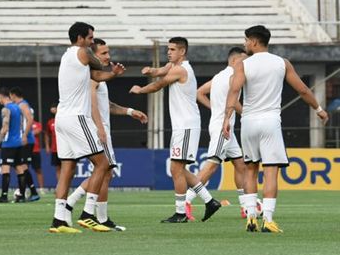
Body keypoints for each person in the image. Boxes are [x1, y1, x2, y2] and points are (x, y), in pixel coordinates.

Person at [223, 25, 328, 233]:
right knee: (271, 171)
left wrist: (227, 118)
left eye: (246, 40)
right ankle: (268, 219)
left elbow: (234, 91)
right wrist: (319, 108)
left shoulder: (243, 64)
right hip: (270, 121)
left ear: (253, 42)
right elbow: (302, 89)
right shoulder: (282, 63)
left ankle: (251, 216)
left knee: (250, 169)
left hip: (249, 122)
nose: (245, 44)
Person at [130, 37, 221, 223]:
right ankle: (210, 201)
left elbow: (159, 84)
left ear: (182, 52)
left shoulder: (180, 69)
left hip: (186, 125)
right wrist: (151, 70)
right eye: (168, 49)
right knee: (178, 168)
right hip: (183, 126)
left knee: (176, 168)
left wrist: (140, 90)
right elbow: (161, 71)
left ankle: (181, 214)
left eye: (172, 49)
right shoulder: (174, 66)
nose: (169, 52)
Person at [50, 22, 125, 234]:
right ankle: (88, 214)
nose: (93, 41)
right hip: (76, 118)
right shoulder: (83, 52)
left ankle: (59, 220)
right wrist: (105, 62)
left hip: (62, 119)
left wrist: (113, 74)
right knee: (103, 164)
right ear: (81, 38)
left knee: (68, 169)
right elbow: (99, 65)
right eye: (91, 38)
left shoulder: (68, 57)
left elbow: (98, 75)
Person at [66, 38, 148, 231]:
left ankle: (79, 206)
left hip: (100, 127)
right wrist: (100, 128)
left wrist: (129, 111)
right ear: (94, 55)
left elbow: (106, 105)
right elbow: (92, 102)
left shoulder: (99, 78)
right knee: (105, 170)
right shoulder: (93, 77)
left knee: (105, 172)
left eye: (108, 52)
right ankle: (93, 214)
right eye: (103, 53)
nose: (108, 56)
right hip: (97, 129)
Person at [186, 47, 249, 221]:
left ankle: (245, 206)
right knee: (212, 165)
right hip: (224, 127)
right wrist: (247, 113)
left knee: (240, 165)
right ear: (235, 61)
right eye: (244, 61)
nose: (246, 64)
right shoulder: (232, 77)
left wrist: (215, 109)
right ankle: (187, 201)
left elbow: (200, 93)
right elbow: (233, 101)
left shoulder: (219, 76)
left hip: (221, 124)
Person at [0, 87, 28, 203]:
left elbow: (5, 127)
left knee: (5, 168)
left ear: (1, 97)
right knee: (19, 168)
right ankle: (22, 195)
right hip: (18, 142)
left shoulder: (6, 109)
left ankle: (4, 196)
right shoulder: (18, 108)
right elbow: (22, 123)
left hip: (9, 143)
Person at [9, 87, 40, 202]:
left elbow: (30, 119)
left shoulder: (22, 105)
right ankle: (30, 192)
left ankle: (29, 192)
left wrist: (25, 135)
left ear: (13, 95)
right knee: (21, 166)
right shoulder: (21, 105)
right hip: (22, 139)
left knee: (22, 166)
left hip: (26, 140)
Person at [44, 103, 60, 180]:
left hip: (64, 148)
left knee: (66, 168)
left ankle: (66, 186)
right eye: (52, 108)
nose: (53, 109)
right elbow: (47, 134)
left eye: (54, 107)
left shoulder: (63, 119)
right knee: (57, 168)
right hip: (54, 149)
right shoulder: (50, 122)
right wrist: (47, 146)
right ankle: (60, 186)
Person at [30, 119, 45, 194]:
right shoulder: (23, 124)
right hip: (25, 150)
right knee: (23, 170)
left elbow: (38, 131)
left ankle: (41, 188)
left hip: (35, 150)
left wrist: (28, 133)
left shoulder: (37, 124)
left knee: (38, 170)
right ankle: (25, 188)